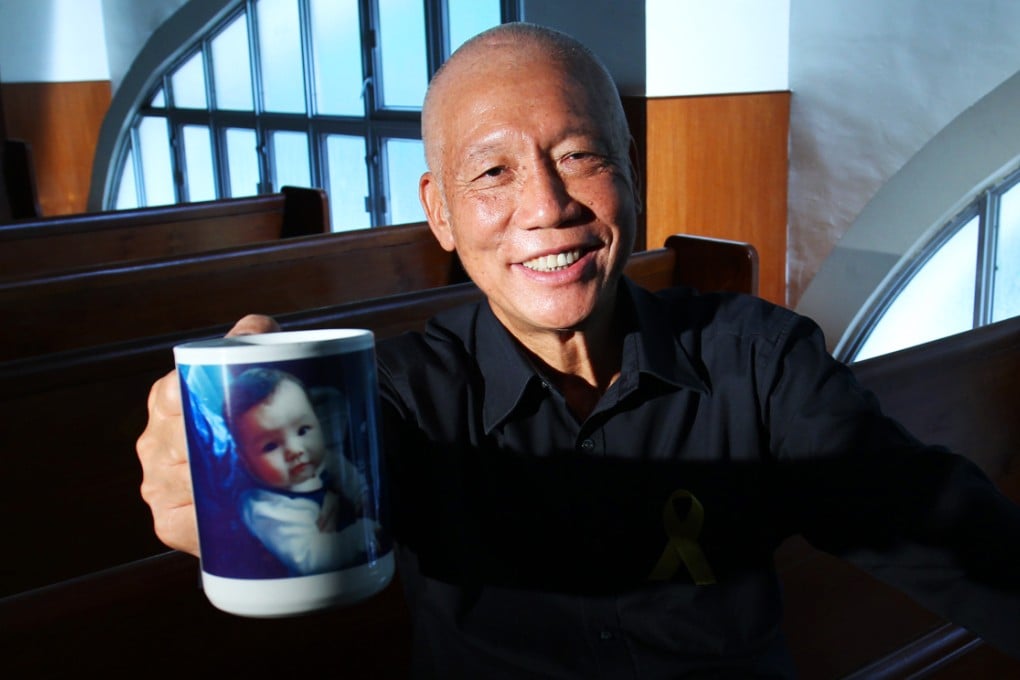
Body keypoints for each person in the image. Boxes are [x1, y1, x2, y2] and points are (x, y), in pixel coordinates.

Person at [138, 21, 1020, 677]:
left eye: (580, 155)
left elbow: (949, 532)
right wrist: (213, 472)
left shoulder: (758, 363)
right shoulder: (397, 402)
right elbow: (313, 479)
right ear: (439, 212)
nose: (547, 206)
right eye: (493, 172)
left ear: (630, 170)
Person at [223, 367, 377, 576]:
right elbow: (310, 558)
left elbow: (339, 469)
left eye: (303, 430)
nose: (295, 450)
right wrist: (359, 536)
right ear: (246, 461)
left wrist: (362, 496)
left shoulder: (315, 461)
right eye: (271, 446)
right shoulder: (266, 508)